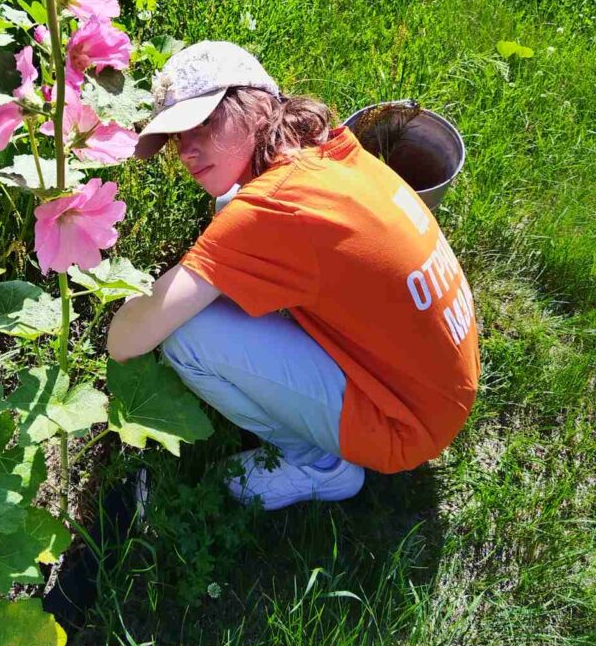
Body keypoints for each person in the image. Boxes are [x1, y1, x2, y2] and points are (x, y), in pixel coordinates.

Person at [106, 41, 480, 510]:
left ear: (255, 104)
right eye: (179, 138)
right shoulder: (331, 150)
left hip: (403, 424)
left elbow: (125, 340)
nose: (188, 151)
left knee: (188, 336)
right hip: (439, 385)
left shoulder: (272, 209)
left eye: (204, 123)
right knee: (225, 220)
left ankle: (320, 467)